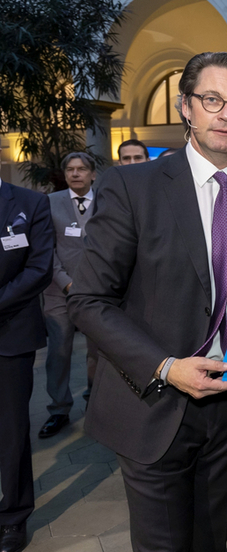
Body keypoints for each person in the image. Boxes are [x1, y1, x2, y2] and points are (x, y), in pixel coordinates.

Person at [68, 51, 227, 552]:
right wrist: (167, 367)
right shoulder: (132, 186)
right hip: (154, 401)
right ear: (185, 108)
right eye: (212, 99)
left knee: (211, 539)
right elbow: (88, 300)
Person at [0, 179, 54, 552]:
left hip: (10, 333)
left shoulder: (31, 202)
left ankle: (12, 518)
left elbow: (39, 268)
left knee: (11, 431)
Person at [39, 152, 98, 440]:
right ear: (64, 175)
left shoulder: (108, 200)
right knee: (59, 353)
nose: (76, 174)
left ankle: (96, 407)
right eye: (70, 170)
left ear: (92, 174)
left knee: (97, 353)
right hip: (59, 291)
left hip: (98, 292)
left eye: (82, 169)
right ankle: (58, 410)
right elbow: (44, 250)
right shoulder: (49, 203)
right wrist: (66, 284)